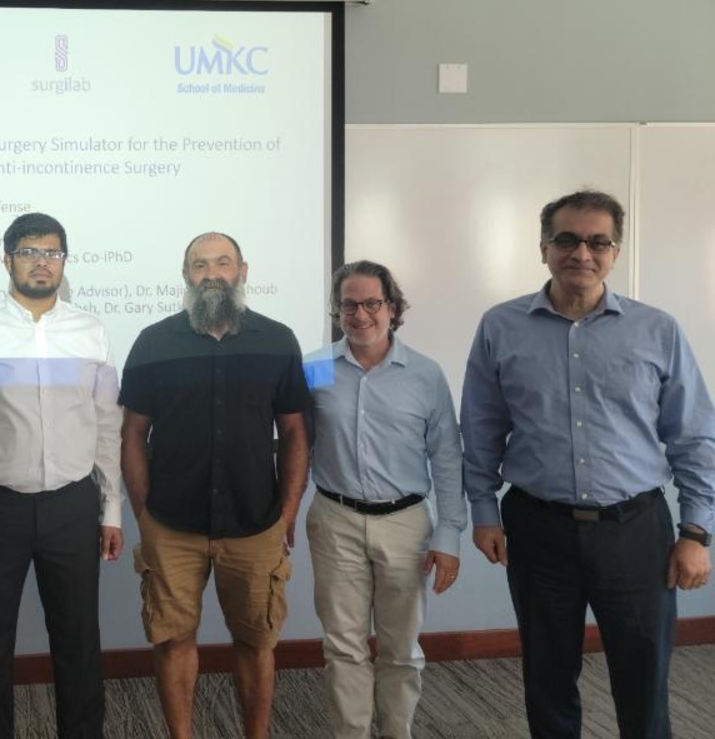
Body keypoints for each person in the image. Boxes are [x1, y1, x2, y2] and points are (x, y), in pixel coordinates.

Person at [461, 189, 715, 739]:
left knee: (643, 676)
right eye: (567, 239)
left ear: (615, 252)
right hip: (538, 528)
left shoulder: (657, 329)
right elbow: (481, 426)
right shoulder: (501, 326)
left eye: (598, 242)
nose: (582, 253)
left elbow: (694, 436)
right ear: (544, 248)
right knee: (548, 675)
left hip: (635, 530)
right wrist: (483, 511)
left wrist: (696, 531)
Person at [0, 212, 123, 739]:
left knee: (79, 639)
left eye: (52, 253)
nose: (42, 262)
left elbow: (107, 426)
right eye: (29, 252)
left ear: (64, 261)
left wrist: (111, 508)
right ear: (7, 260)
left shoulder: (90, 332)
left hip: (73, 506)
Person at [120, 232, 310, 739]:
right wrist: (144, 515)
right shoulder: (153, 341)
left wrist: (288, 513)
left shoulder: (278, 340)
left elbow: (295, 433)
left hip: (255, 523)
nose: (211, 274)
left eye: (222, 263)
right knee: (172, 640)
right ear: (186, 275)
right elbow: (133, 434)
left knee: (255, 642)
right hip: (171, 524)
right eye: (199, 265)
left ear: (242, 272)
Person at [303, 260, 466, 739]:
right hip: (335, 518)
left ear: (393, 308)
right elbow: (297, 443)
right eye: (349, 305)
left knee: (400, 648)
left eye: (372, 303)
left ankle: (397, 731)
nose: (360, 315)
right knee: (343, 646)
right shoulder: (315, 368)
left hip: (406, 523)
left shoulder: (425, 374)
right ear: (337, 311)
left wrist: (449, 534)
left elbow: (447, 456)